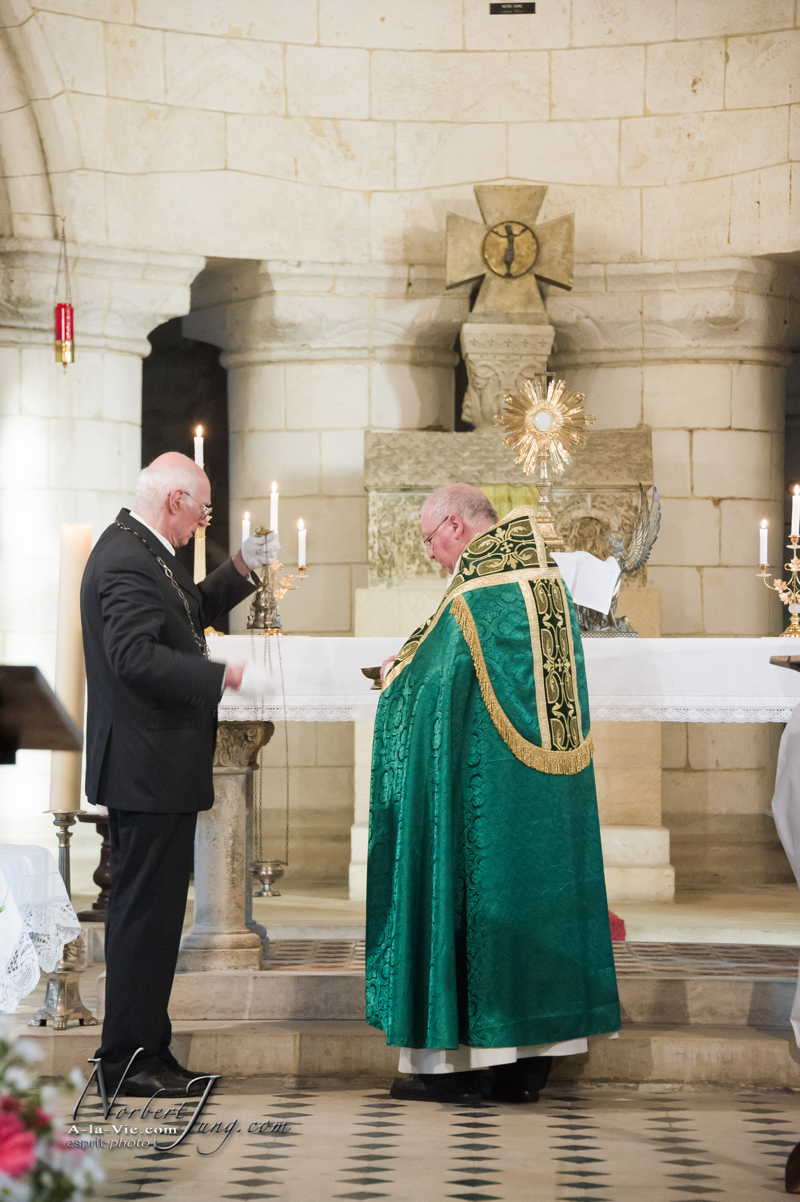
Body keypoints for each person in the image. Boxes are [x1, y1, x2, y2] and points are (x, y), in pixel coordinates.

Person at [365, 484, 620, 1105]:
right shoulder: (545, 582)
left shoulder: (478, 591)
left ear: (454, 525)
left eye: (429, 540)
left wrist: (392, 677)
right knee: (537, 887)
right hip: (539, 795)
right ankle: (529, 1063)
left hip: (479, 787)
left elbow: (433, 681)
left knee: (479, 890)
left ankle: (462, 1063)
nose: (430, 554)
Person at [80, 452, 273, 1098]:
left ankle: (147, 1051)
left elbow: (188, 611)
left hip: (155, 765)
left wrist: (241, 569)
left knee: (158, 919)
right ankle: (126, 1062)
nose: (203, 521)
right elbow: (135, 658)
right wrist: (222, 676)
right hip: (145, 766)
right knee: (143, 919)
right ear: (174, 503)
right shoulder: (126, 558)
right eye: (202, 509)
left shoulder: (144, 550)